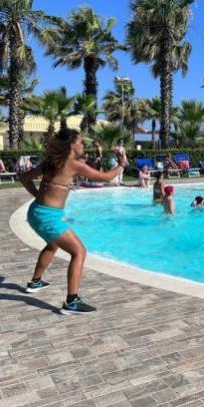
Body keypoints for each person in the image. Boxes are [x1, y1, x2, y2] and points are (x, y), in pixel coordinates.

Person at [19, 129, 125, 315]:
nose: (83, 145)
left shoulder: (52, 163)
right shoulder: (74, 165)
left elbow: (24, 178)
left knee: (53, 244)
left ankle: (35, 282)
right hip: (48, 217)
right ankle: (71, 302)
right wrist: (122, 163)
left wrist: (38, 196)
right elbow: (107, 177)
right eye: (81, 142)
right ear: (71, 145)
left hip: (36, 212)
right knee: (79, 251)